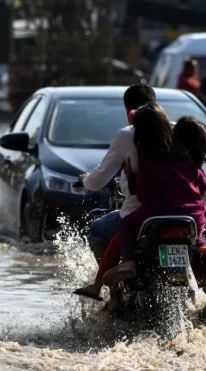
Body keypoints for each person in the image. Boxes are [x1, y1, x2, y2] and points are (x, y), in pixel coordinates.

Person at [74, 115, 206, 300]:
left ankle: (119, 273)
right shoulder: (190, 161)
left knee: (123, 228)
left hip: (155, 211)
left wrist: (130, 177)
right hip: (193, 216)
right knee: (196, 245)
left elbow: (141, 190)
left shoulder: (150, 157)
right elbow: (201, 187)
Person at [72, 84, 156, 305]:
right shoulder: (176, 131)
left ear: (130, 111)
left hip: (140, 210)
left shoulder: (128, 134)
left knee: (99, 229)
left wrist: (84, 180)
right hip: (180, 209)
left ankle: (115, 294)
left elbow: (98, 179)